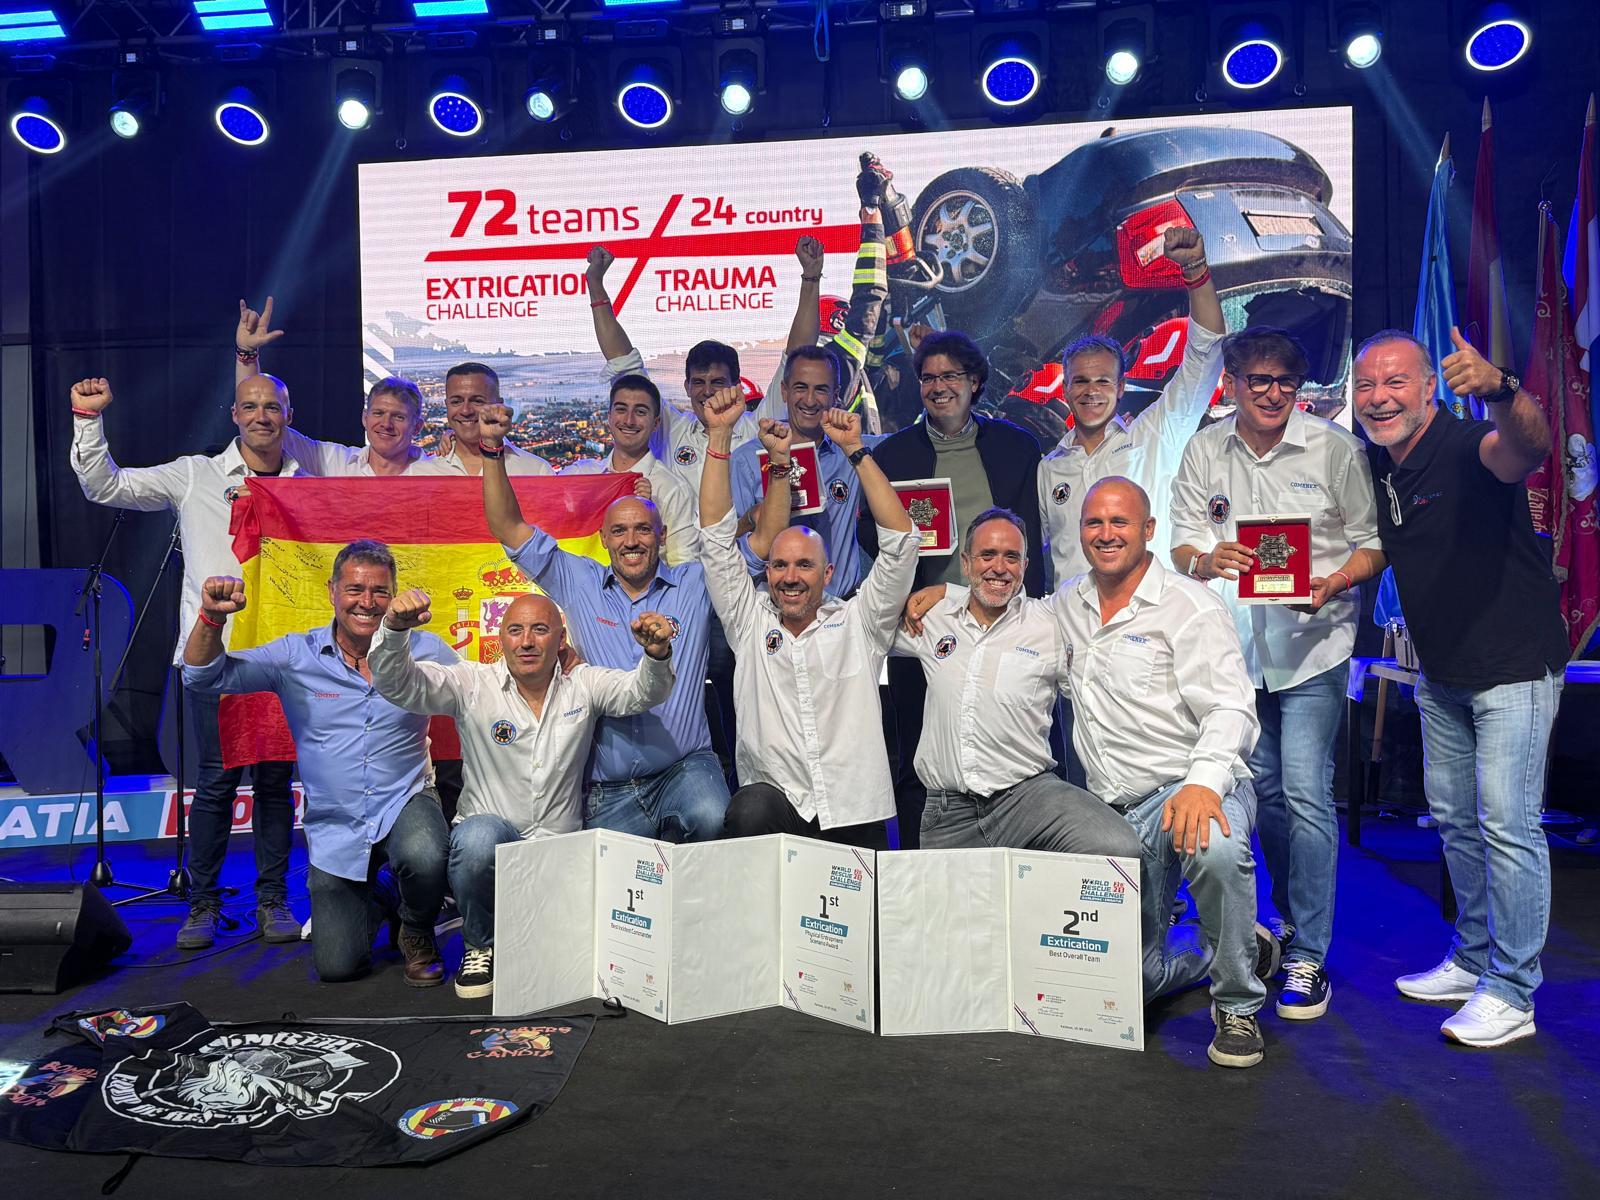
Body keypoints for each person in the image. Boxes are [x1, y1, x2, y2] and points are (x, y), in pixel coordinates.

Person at [1353, 327, 1567, 1048]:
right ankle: (1474, 959)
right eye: (1366, 385)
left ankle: (1513, 990)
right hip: (1440, 673)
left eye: (1395, 382)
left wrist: (1502, 388)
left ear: (1428, 389)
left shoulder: (1470, 443)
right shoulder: (1380, 464)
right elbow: (1381, 544)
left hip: (1513, 668)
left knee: (1508, 824)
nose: (1379, 397)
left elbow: (1529, 448)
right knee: (1454, 821)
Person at [68, 374, 332, 950]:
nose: (262, 416)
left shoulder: (308, 483)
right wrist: (88, 420)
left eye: (273, 407)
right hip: (216, 654)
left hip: (284, 658)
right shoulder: (196, 474)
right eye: (250, 406)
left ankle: (272, 900)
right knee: (216, 781)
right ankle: (204, 904)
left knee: (274, 781)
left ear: (289, 416)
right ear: (233, 414)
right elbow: (105, 485)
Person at [1169, 327, 1386, 1021]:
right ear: (1231, 383)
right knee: (1265, 795)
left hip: (1314, 644)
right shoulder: (1205, 449)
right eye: (1257, 381)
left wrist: (1334, 582)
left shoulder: (1334, 448)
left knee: (1306, 791)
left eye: (1284, 382)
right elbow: (1180, 545)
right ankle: (1292, 919)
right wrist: (1208, 560)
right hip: (1236, 653)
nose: (1271, 394)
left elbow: (1373, 545)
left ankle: (1309, 954)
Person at [1052, 476, 1274, 1069]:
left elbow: (1231, 708)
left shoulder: (1190, 605)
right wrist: (940, 596)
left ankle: (1237, 1002)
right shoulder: (1066, 603)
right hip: (1115, 812)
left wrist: (1202, 783)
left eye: (1119, 522)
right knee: (1129, 988)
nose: (1106, 534)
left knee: (1215, 846)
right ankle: (1226, 946)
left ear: (1148, 530)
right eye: (1094, 522)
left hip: (1191, 783)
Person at [369, 590, 676, 1000]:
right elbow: (398, 684)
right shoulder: (472, 683)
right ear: (501, 638)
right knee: (476, 837)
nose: (527, 641)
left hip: (560, 852)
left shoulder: (584, 684)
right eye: (515, 630)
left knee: (561, 972)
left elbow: (641, 691)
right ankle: (480, 946)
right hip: (492, 846)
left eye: (539, 629)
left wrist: (656, 656)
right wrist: (393, 631)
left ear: (561, 639)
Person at [180, 543, 454, 986]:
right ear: (331, 592)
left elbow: (483, 691)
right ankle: (383, 892)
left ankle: (417, 928)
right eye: (355, 589)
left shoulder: (425, 648)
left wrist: (559, 660)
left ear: (394, 595)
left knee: (425, 853)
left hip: (406, 797)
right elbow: (202, 676)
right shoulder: (296, 655)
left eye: (380, 591)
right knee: (338, 968)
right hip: (336, 824)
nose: (367, 602)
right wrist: (212, 619)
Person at [479, 401, 728, 843]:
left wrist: (726, 441)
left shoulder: (695, 582)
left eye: (643, 529)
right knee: (607, 880)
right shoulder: (578, 580)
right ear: (604, 539)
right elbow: (508, 527)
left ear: (662, 536)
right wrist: (493, 451)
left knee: (712, 816)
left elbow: (741, 540)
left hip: (684, 769)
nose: (631, 541)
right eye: (619, 531)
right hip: (607, 787)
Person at [698, 386, 918, 847]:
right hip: (777, 810)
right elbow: (716, 541)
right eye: (779, 565)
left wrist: (855, 450)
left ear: (828, 573)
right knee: (749, 807)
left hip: (852, 807)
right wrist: (719, 437)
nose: (790, 577)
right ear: (767, 572)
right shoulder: (749, 621)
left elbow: (901, 544)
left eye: (804, 565)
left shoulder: (861, 622)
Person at [864, 328, 1046, 845]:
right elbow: (868, 534)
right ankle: (917, 869)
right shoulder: (893, 455)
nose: (938, 387)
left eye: (950, 376)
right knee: (918, 754)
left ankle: (1012, 857)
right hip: (923, 625)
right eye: (927, 378)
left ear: (975, 382)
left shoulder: (1017, 448)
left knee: (1009, 749)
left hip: (1001, 625)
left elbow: (1032, 545)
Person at [891, 508, 1141, 859]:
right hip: (949, 812)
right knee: (951, 898)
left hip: (1029, 799)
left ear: (1025, 566)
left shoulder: (1049, 622)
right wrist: (944, 592)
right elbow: (871, 619)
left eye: (1011, 557)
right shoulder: (934, 618)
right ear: (966, 563)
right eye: (987, 555)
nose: (999, 567)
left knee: (1118, 845)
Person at [1036, 227, 1226, 587]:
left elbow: (1206, 353)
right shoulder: (1049, 470)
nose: (1092, 392)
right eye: (1081, 381)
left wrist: (1196, 270)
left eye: (1103, 381)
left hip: (1148, 616)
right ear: (1065, 388)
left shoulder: (1154, 435)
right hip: (1074, 618)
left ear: (1121, 387)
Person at [233, 298, 436, 477]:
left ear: (417, 427)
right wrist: (247, 354)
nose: (386, 424)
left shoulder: (437, 472)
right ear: (364, 418)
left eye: (399, 417)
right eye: (378, 413)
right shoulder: (333, 463)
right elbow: (266, 425)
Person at [729, 345, 871, 598]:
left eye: (821, 390)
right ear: (784, 391)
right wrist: (754, 517)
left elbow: (912, 441)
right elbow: (727, 546)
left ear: (835, 395)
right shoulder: (747, 460)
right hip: (775, 608)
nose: (809, 400)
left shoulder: (853, 449)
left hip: (843, 608)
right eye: (800, 387)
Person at [561, 373, 699, 566]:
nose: (629, 420)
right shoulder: (578, 476)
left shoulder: (672, 490)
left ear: (656, 424)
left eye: (640, 412)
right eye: (621, 409)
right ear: (609, 417)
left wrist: (649, 518)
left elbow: (684, 570)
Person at [424, 361, 554, 477]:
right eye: (456, 402)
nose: (466, 411)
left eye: (477, 401)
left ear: (499, 405)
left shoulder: (537, 471)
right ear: (447, 405)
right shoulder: (422, 473)